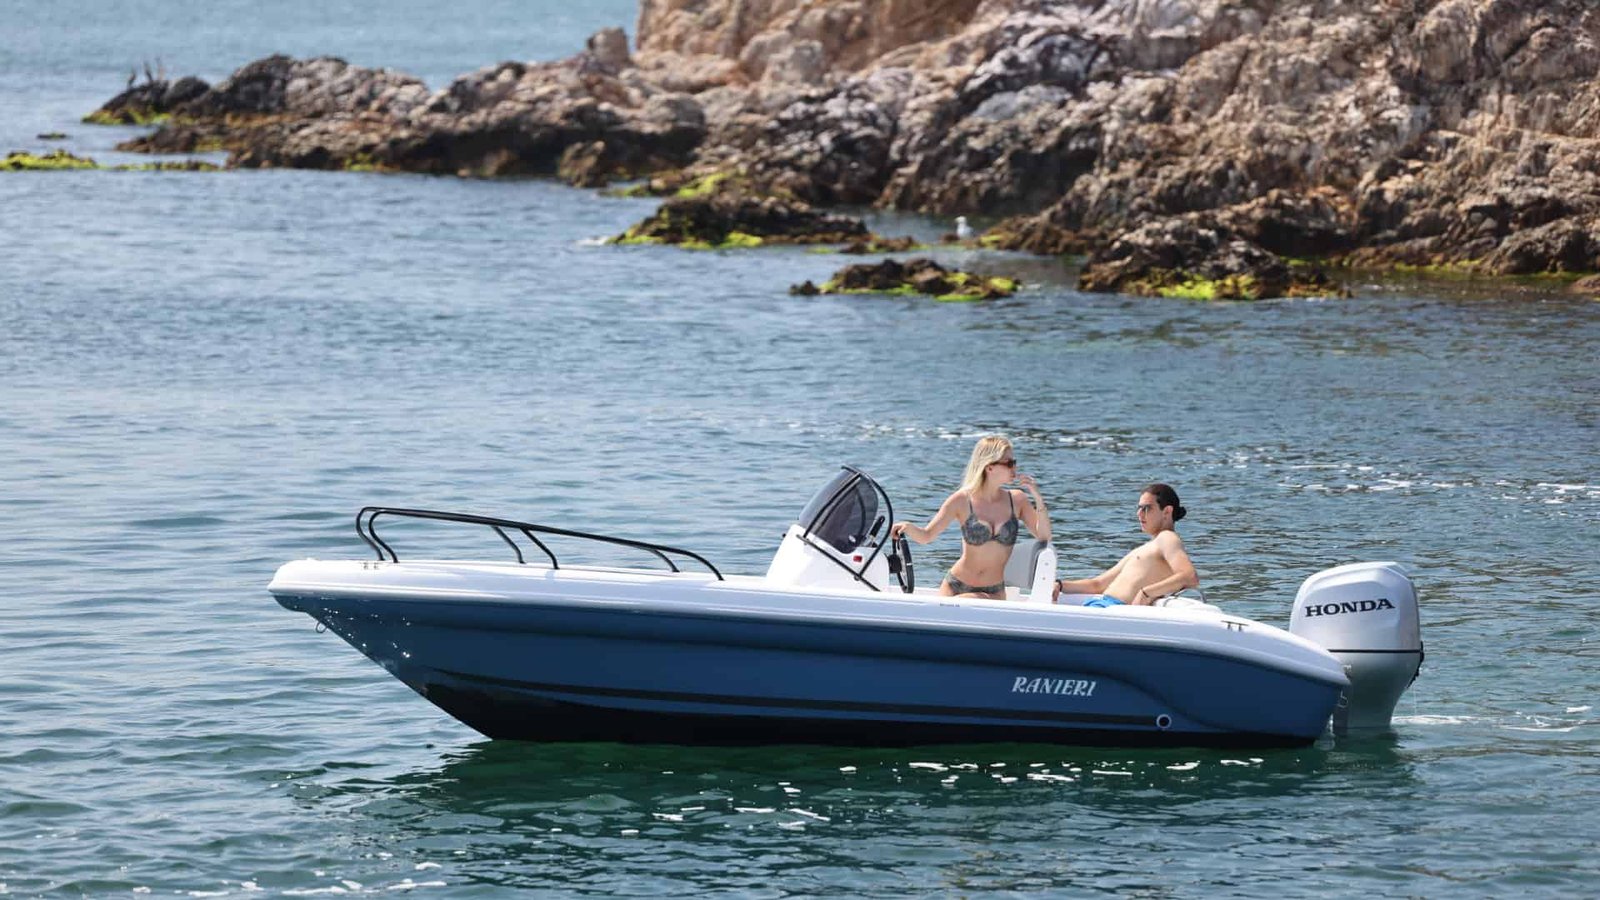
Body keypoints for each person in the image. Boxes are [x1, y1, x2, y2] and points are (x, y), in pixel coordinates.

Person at [891, 436, 1050, 599]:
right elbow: (927, 536)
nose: (1014, 468)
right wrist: (908, 527)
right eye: (1009, 463)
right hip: (956, 585)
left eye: (1014, 462)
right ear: (989, 467)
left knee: (966, 604)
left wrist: (1037, 498)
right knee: (957, 607)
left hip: (993, 591)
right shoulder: (961, 500)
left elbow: (1044, 536)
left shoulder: (1017, 500)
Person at [1052, 483, 1198, 606]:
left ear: (1167, 511)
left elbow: (1189, 576)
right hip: (1101, 605)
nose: (1139, 514)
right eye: (1139, 508)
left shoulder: (1167, 538)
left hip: (1114, 610)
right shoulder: (1145, 548)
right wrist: (1060, 584)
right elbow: (1097, 584)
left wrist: (1146, 593)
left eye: (1146, 508)